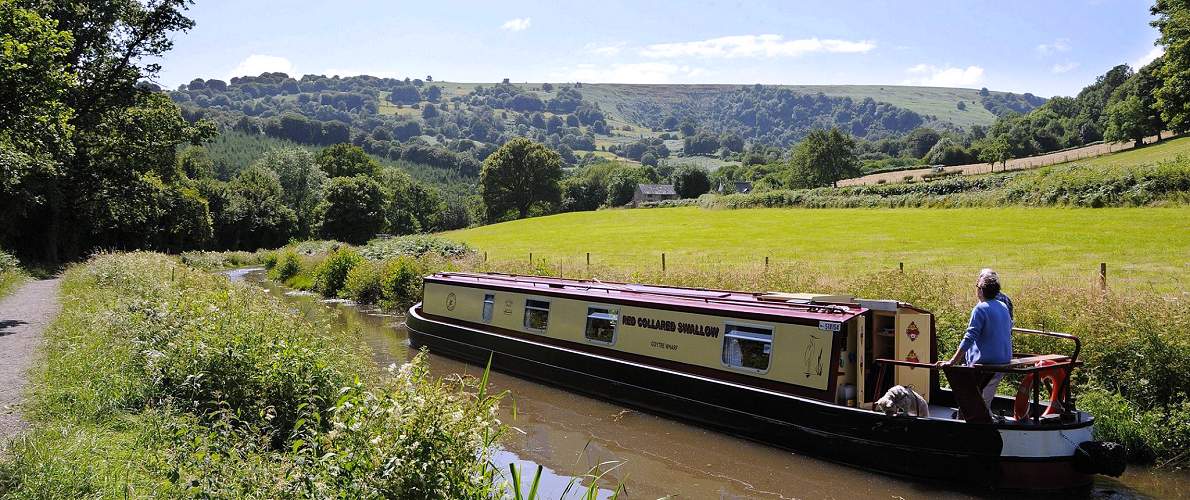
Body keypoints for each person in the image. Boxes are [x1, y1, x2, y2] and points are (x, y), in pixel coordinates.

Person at [939, 269, 1014, 417]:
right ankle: (981, 417)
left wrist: (953, 361)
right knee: (984, 398)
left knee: (971, 400)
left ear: (980, 291)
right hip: (1004, 360)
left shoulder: (980, 308)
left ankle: (967, 423)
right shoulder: (1003, 306)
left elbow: (969, 336)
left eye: (976, 287)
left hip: (986, 363)